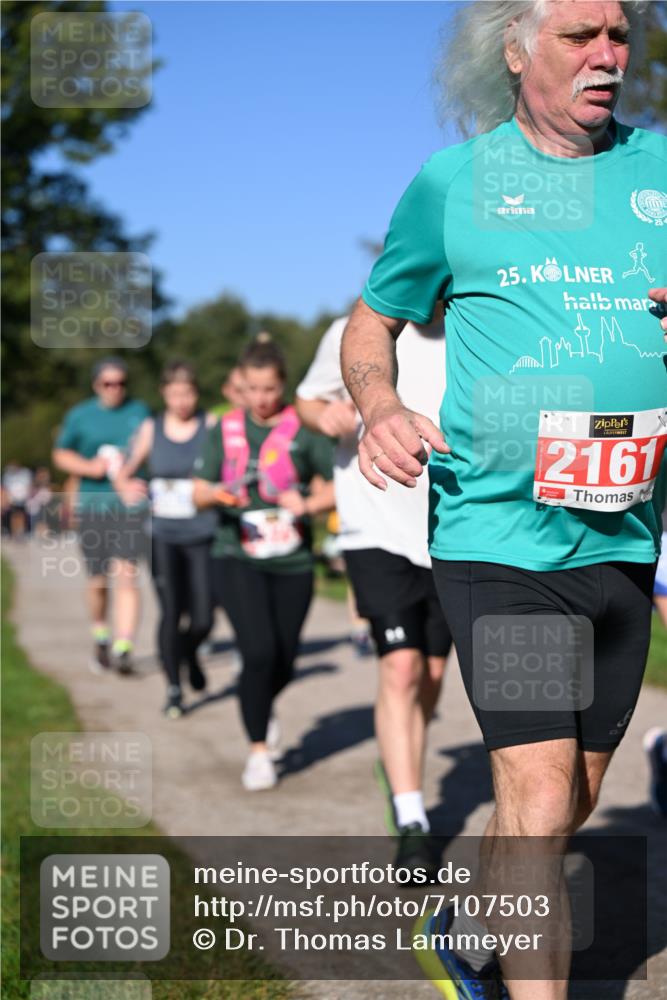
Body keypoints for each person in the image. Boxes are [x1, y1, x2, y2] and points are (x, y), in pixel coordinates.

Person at [341, 3, 666, 998]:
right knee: (532, 784)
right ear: (518, 53)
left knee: (569, 794)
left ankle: (465, 920)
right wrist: (379, 404)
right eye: (580, 35)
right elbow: (372, 320)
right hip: (500, 536)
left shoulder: (658, 170)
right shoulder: (456, 184)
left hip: (620, 535)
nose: (607, 55)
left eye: (619, 35)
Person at [296, 313, 452, 877]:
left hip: (449, 533)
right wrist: (327, 414)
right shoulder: (353, 329)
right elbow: (307, 401)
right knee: (401, 670)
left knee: (430, 678)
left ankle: (399, 758)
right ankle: (411, 817)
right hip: (373, 522)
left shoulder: (475, 319)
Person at [193, 335, 335, 791]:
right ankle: (258, 751)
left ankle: (259, 702)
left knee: (285, 660)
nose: (261, 399)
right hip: (236, 555)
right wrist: (218, 493)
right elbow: (197, 491)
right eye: (252, 389)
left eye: (270, 389)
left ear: (282, 386)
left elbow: (337, 487)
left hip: (291, 560)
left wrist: (308, 505)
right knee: (258, 652)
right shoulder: (224, 429)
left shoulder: (304, 429)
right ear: (240, 387)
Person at [114, 361, 218, 718]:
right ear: (164, 394)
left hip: (203, 532)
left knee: (203, 616)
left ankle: (189, 652)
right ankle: (174, 688)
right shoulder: (151, 428)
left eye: (187, 393)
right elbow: (124, 472)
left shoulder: (210, 425)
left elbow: (227, 468)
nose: (182, 401)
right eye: (174, 394)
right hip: (163, 536)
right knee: (172, 611)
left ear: (196, 393)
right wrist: (127, 485)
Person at [52, 358, 150, 674]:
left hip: (130, 505)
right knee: (97, 581)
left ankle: (124, 646)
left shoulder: (140, 412)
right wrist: (89, 467)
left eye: (121, 383)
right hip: (93, 504)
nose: (115, 389)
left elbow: (149, 448)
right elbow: (61, 454)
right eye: (108, 383)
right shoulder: (80, 416)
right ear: (96, 385)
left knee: (127, 574)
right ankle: (101, 633)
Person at [2, 462, 33, 539]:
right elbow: (6, 488)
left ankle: (20, 532)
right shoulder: (8, 475)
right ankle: (14, 533)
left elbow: (28, 486)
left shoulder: (25, 473)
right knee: (13, 516)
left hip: (22, 499)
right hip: (12, 499)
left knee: (21, 516)